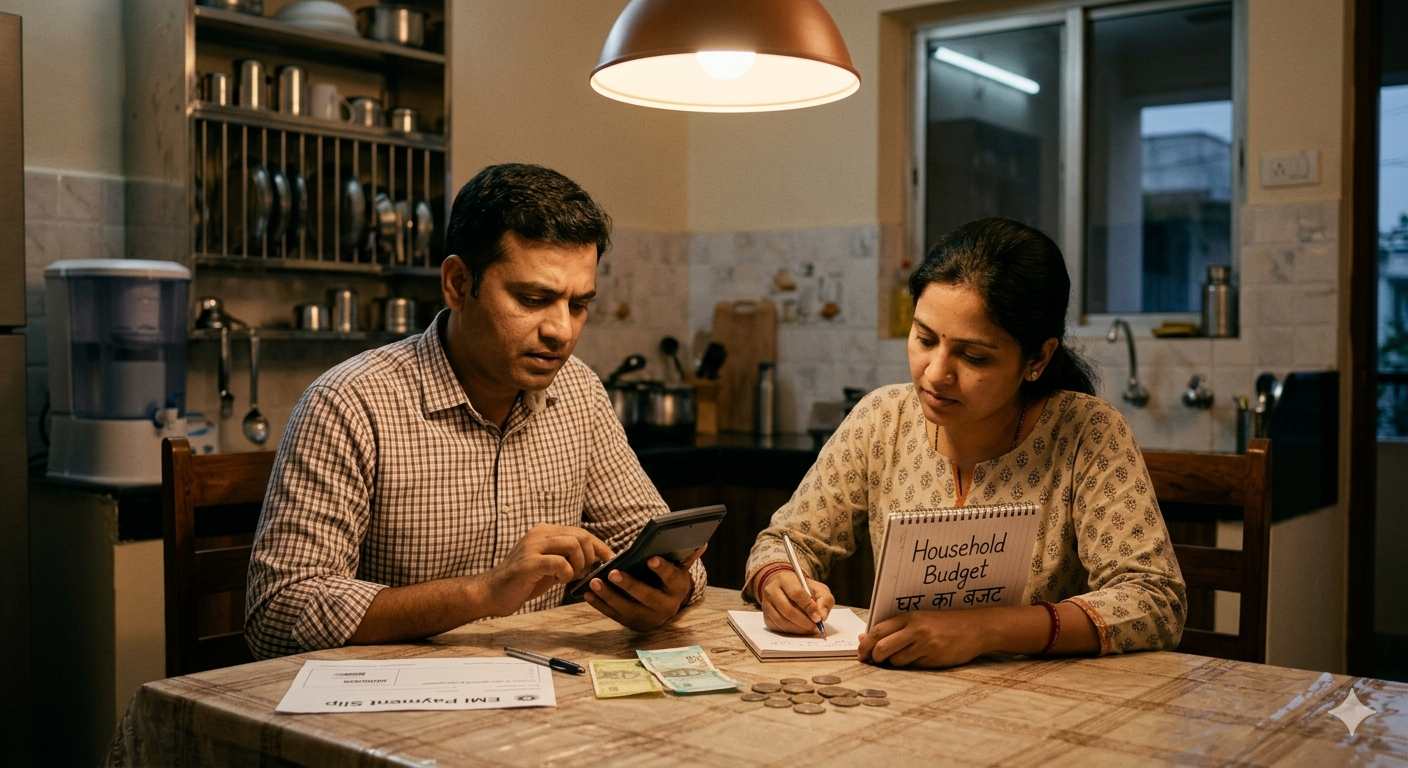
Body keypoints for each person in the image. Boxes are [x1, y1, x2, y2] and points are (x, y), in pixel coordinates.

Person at [245, 163, 705, 659]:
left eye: (578, 305)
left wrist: (670, 591)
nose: (562, 331)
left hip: (542, 693)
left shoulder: (579, 392)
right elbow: (278, 612)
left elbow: (663, 543)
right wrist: (484, 593)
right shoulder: (350, 403)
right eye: (533, 299)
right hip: (393, 708)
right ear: (458, 283)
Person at [745, 217, 1186, 668]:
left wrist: (984, 629)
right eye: (924, 339)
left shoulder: (1085, 432)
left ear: (1037, 358)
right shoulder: (881, 420)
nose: (936, 373)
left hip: (1041, 707)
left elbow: (1154, 601)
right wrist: (778, 579)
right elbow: (785, 540)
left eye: (974, 356)